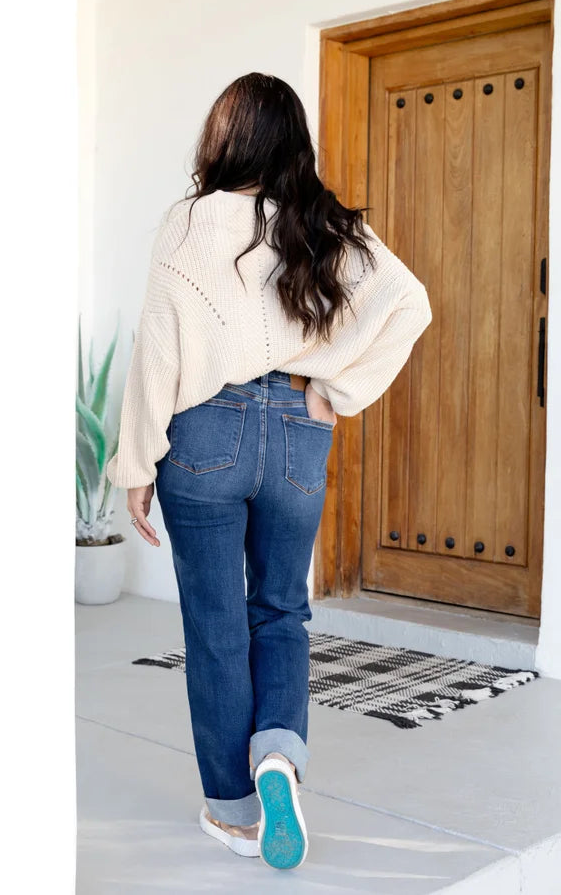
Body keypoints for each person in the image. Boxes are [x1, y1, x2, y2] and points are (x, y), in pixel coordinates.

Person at [106, 72, 432, 870]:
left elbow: (157, 353)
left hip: (204, 432)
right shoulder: (322, 226)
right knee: (281, 610)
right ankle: (278, 754)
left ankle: (234, 812)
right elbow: (410, 304)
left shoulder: (188, 223)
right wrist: (332, 392)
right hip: (296, 429)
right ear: (293, 142)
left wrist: (137, 463)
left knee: (216, 626)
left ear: (223, 139)